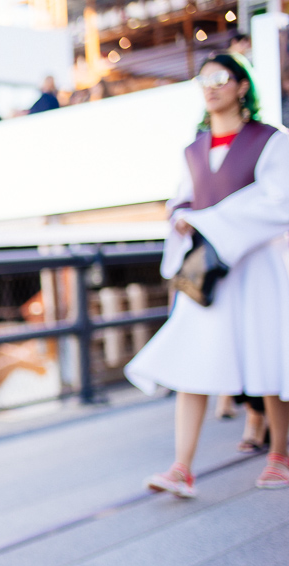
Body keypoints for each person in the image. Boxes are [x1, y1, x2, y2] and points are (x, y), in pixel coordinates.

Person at [125, 53, 289, 497]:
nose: (211, 86)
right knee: (191, 360)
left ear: (241, 87)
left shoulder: (272, 141)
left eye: (221, 78)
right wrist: (183, 219)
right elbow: (180, 201)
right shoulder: (193, 149)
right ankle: (181, 468)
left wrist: (209, 220)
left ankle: (280, 456)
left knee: (267, 357)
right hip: (210, 273)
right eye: (203, 80)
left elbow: (280, 203)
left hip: (254, 266)